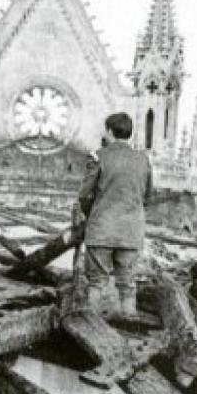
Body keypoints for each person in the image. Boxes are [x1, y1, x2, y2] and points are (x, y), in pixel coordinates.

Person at [74, 111, 153, 316]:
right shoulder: (143, 160)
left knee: (96, 282)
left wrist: (89, 214)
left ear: (109, 131)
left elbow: (84, 195)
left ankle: (91, 325)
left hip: (101, 229)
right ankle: (131, 324)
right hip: (131, 231)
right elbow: (147, 196)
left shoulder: (99, 156)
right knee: (127, 284)